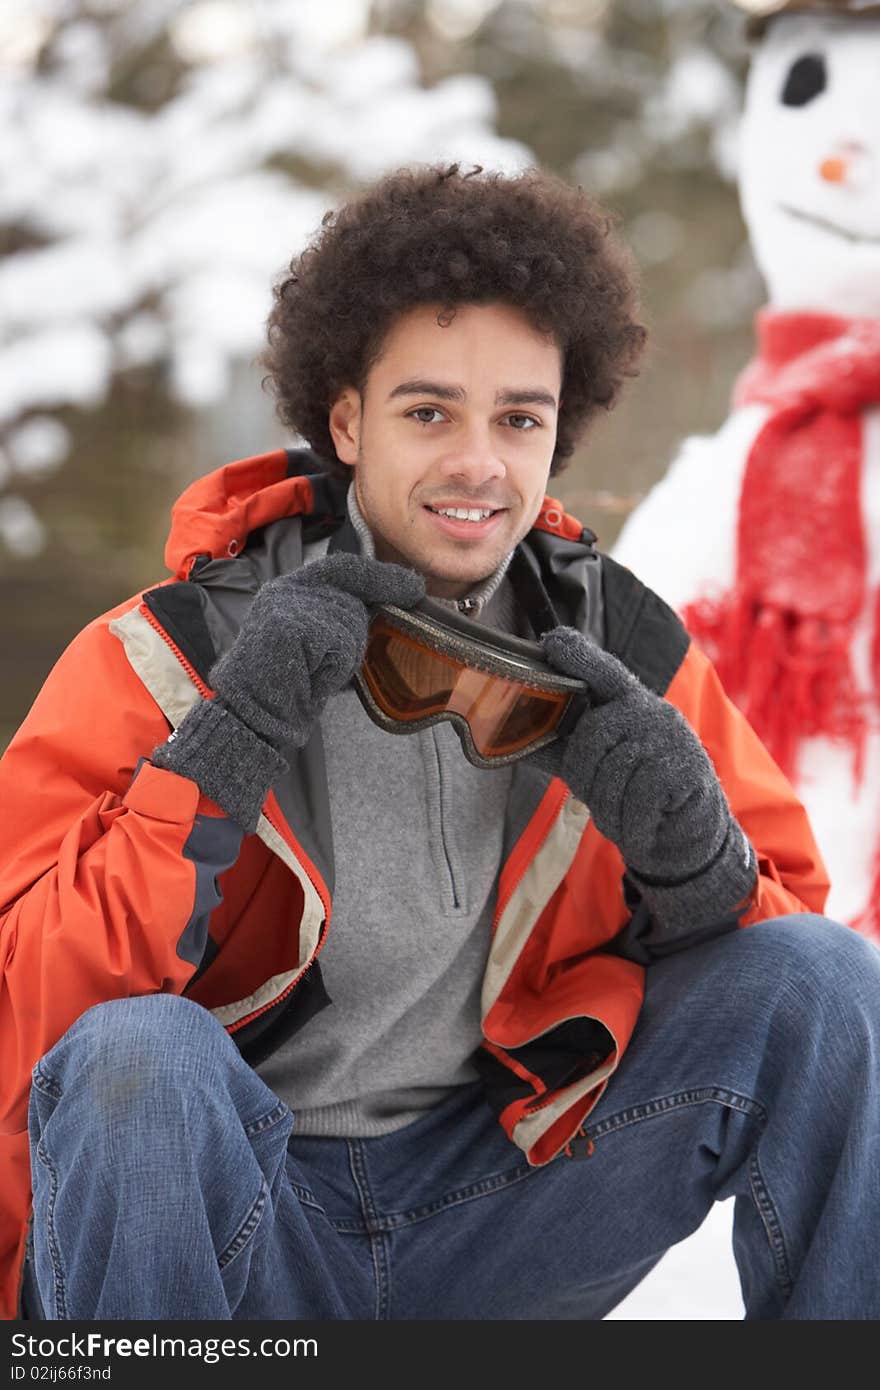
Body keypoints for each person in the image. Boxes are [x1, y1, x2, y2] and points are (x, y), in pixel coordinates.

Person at [1, 164, 878, 1323]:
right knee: (137, 1054)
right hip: (243, 1231)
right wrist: (217, 758)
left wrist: (696, 875)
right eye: (428, 413)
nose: (478, 463)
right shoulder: (170, 651)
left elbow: (792, 988)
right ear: (347, 419)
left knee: (826, 977)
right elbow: (31, 1020)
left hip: (504, 1211)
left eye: (518, 417)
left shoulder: (620, 647)